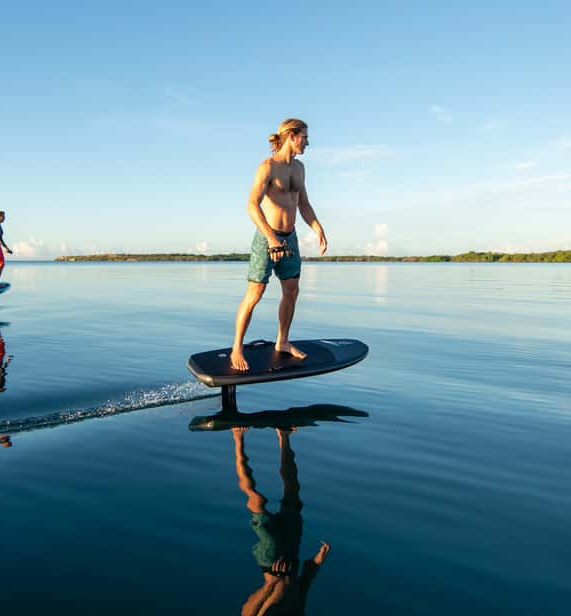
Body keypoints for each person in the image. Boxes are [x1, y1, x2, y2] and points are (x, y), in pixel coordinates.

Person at [231, 119, 328, 371]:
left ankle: (282, 342)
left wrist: (317, 227)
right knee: (255, 294)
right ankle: (236, 348)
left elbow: (303, 203)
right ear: (292, 136)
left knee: (292, 291)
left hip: (290, 237)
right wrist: (271, 238)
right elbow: (252, 205)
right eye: (304, 137)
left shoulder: (300, 168)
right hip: (267, 237)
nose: (308, 141)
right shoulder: (267, 167)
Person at [234, 426, 330, 615]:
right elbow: (304, 586)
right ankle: (283, 436)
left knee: (257, 502)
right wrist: (317, 562)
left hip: (271, 559)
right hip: (292, 553)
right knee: (293, 493)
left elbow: (246, 612)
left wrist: (273, 583)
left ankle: (238, 438)